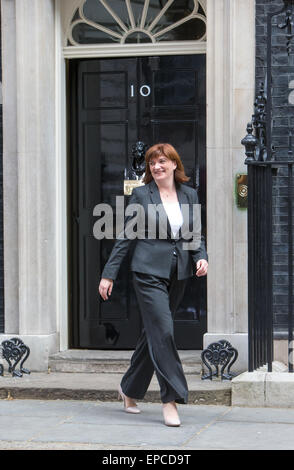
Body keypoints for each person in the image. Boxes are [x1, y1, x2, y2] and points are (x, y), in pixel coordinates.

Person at [98, 143, 208, 427]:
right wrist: (109, 273)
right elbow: (126, 236)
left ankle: (129, 389)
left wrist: (201, 258)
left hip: (178, 273)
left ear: (174, 164)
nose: (156, 167)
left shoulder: (189, 194)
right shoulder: (141, 195)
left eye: (161, 162)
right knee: (164, 331)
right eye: (152, 164)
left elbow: (194, 234)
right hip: (147, 272)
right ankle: (170, 399)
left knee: (154, 335)